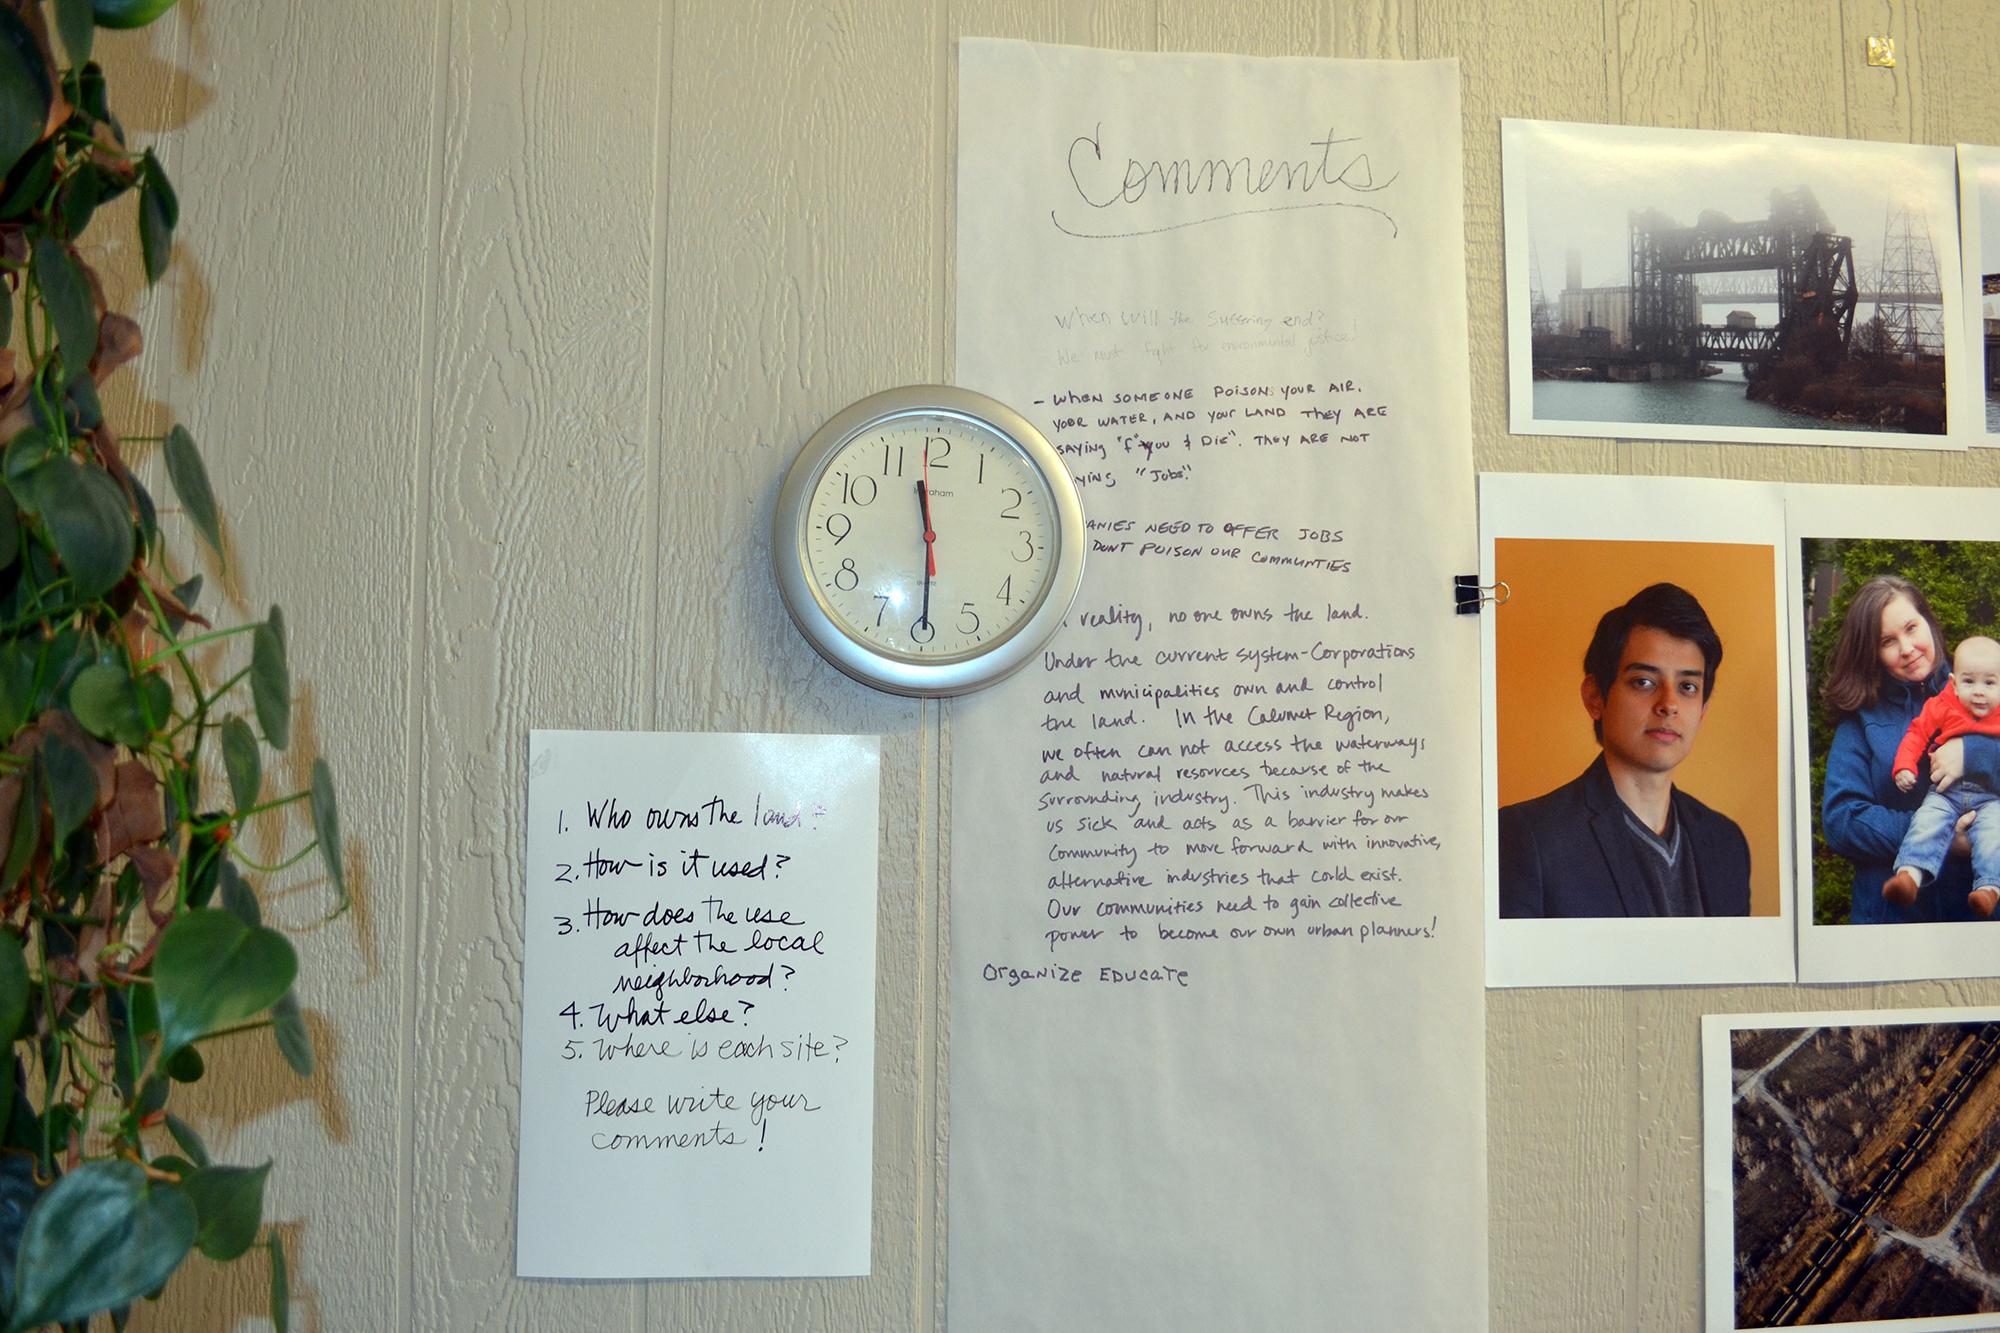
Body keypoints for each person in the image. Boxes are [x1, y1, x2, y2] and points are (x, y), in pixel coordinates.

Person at [1499, 582, 1751, 918]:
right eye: (1644, 682)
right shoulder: (1527, 839)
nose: (1669, 705)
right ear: (1595, 697)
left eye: (1688, 687)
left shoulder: (1727, 843)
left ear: (1702, 711)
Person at [1822, 575, 2000, 924]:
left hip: (1976, 920)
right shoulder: (1861, 719)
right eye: (1888, 641)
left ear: (1929, 624)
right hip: (1893, 918)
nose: (1907, 647)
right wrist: (1943, 834)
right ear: (1873, 653)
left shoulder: (1985, 687)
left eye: (1911, 628)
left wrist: (1973, 753)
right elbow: (1842, 820)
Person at [1882, 635, 2000, 916]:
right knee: (1926, 821)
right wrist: (1905, 766)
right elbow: (1917, 733)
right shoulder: (1942, 705)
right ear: (1954, 683)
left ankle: (1989, 888)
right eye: (1969, 681)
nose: (1979, 691)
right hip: (1946, 793)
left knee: (1994, 834)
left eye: (1990, 682)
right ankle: (1909, 875)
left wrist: (1972, 753)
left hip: (1990, 798)